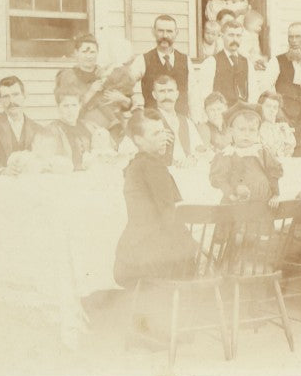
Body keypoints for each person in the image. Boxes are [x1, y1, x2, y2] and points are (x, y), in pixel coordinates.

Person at [113, 110, 196, 289]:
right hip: (147, 257)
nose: (163, 137)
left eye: (163, 131)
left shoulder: (138, 164)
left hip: (132, 254)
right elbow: (169, 217)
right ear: (138, 140)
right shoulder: (151, 167)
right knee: (197, 259)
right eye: (156, 133)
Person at [210, 104, 282, 203]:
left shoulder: (262, 152)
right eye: (242, 129)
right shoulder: (226, 155)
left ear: (257, 133)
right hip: (236, 205)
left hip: (263, 203)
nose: (247, 134)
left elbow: (273, 173)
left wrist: (275, 195)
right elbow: (220, 180)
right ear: (231, 131)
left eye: (252, 130)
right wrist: (231, 194)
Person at [0, 76, 40, 175]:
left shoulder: (37, 129)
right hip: (2, 184)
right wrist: (2, 171)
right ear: (0, 100)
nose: (12, 101)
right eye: (6, 96)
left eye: (16, 94)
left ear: (24, 95)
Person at [142, 74, 206, 166]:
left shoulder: (187, 122)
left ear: (177, 94)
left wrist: (194, 159)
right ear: (154, 95)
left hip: (188, 173)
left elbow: (199, 149)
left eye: (170, 91)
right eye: (162, 91)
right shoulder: (147, 121)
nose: (167, 96)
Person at [274, 21, 301, 153]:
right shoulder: (276, 61)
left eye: (298, 37)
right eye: (290, 37)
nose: (293, 41)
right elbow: (266, 91)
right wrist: (278, 112)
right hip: (286, 118)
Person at [139, 14, 190, 116]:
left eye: (169, 31)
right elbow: (136, 96)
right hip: (153, 121)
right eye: (161, 31)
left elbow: (193, 94)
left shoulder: (186, 60)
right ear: (153, 32)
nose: (165, 36)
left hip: (180, 121)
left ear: (176, 33)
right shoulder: (143, 60)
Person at [44, 90, 96, 171]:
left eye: (74, 105)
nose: (70, 110)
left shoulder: (90, 126)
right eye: (66, 106)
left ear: (80, 106)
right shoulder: (51, 130)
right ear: (58, 107)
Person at [212, 18, 251, 104]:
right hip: (222, 113)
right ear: (222, 36)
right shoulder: (212, 62)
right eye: (231, 35)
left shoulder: (246, 62)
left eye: (238, 36)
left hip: (242, 112)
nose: (235, 39)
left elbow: (252, 92)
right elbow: (206, 94)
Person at [257, 91, 298, 159]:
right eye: (268, 106)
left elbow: (289, 152)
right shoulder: (257, 129)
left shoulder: (283, 128)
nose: (272, 110)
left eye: (275, 107)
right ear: (260, 107)